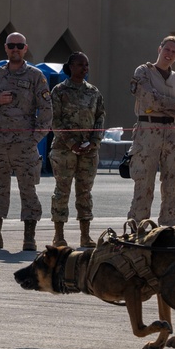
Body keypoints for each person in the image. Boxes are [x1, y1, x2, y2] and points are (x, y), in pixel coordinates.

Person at [0, 32, 52, 251]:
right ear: (6, 49)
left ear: (25, 48)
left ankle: (29, 237)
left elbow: (46, 110)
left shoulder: (36, 76)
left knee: (28, 188)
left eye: (19, 45)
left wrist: (34, 138)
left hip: (24, 143)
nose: (15, 49)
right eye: (11, 46)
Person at [127, 35, 175, 226]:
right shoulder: (143, 72)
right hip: (148, 132)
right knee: (144, 184)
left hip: (173, 133)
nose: (169, 54)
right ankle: (137, 229)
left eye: (174, 52)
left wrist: (162, 103)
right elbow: (147, 98)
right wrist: (174, 104)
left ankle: (169, 228)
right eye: (167, 49)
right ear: (159, 49)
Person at [49, 52, 105, 248]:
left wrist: (93, 142)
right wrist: (71, 142)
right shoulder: (59, 91)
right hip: (64, 150)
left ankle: (85, 235)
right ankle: (59, 235)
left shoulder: (93, 92)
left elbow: (100, 119)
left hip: (89, 151)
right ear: (70, 66)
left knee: (85, 193)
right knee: (62, 192)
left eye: (87, 65)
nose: (85, 68)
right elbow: (54, 121)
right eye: (80, 64)